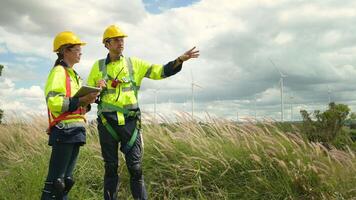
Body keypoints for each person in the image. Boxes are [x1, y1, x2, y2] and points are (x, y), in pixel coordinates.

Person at [87, 24, 199, 200]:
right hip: (107, 123)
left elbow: (159, 72)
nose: (121, 42)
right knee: (110, 167)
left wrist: (180, 60)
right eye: (116, 40)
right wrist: (96, 90)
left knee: (136, 168)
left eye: (122, 39)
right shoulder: (98, 66)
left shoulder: (134, 64)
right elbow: (89, 95)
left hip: (131, 123)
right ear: (106, 44)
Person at [41, 31, 99, 199]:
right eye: (77, 49)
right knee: (56, 182)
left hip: (76, 131)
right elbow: (55, 102)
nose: (81, 52)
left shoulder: (75, 76)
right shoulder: (59, 72)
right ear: (66, 50)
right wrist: (81, 100)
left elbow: (80, 106)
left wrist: (89, 99)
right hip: (64, 130)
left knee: (66, 181)